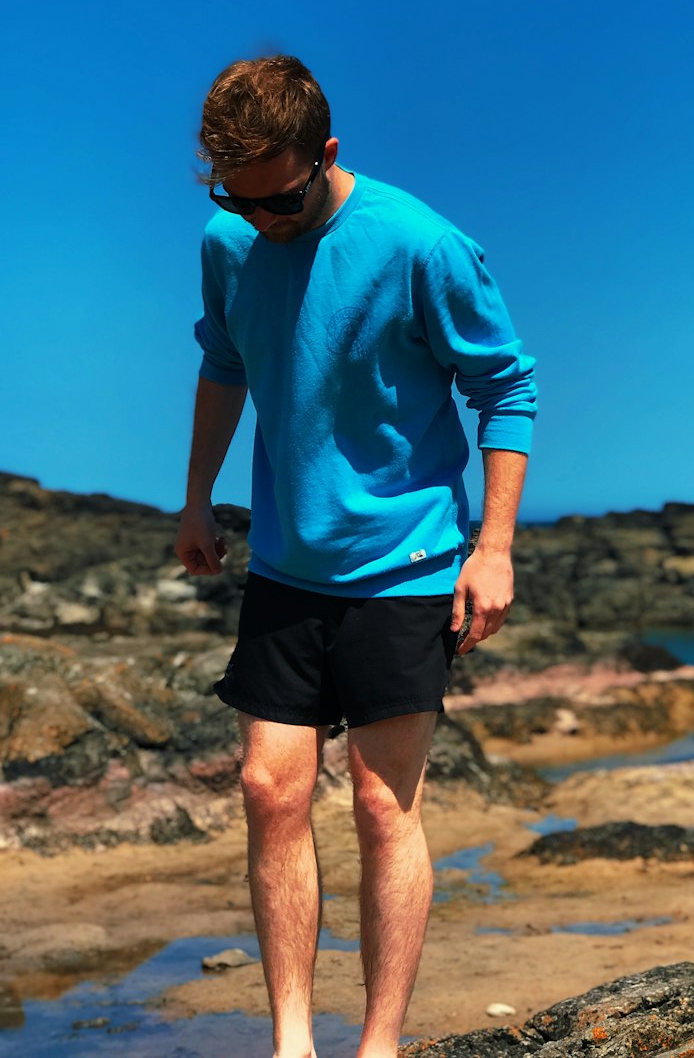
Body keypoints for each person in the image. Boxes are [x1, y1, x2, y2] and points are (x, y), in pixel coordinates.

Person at [174, 55, 536, 1058]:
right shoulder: (233, 236)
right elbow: (224, 362)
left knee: (383, 803)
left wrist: (493, 547)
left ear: (326, 154)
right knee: (268, 790)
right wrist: (198, 498)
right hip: (287, 564)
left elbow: (507, 387)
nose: (264, 221)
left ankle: (377, 1046)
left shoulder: (419, 243)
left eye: (281, 199)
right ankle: (293, 1040)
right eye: (237, 200)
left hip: (407, 564)